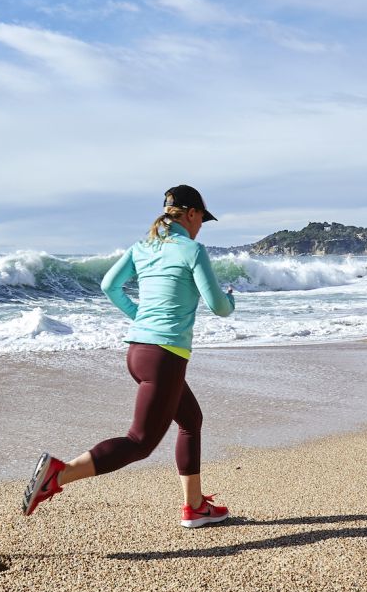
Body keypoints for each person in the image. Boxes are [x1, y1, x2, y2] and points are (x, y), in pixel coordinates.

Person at [22, 185, 236, 528]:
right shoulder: (192, 250)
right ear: (192, 214)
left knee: (190, 420)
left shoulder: (143, 246)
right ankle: (57, 475)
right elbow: (219, 307)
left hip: (139, 352)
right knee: (139, 441)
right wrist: (231, 298)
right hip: (164, 356)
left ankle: (194, 506)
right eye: (201, 220)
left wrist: (140, 316)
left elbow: (110, 285)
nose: (201, 227)